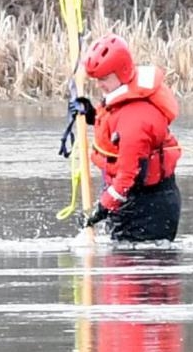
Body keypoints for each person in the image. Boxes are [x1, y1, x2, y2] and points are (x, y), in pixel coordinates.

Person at [77, 33, 182, 242]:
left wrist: (99, 210)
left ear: (122, 72)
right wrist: (91, 115)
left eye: (104, 78)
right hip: (131, 202)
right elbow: (114, 130)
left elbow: (129, 177)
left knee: (129, 272)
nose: (99, 85)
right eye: (97, 79)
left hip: (148, 211)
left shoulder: (136, 120)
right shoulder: (123, 98)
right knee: (117, 270)